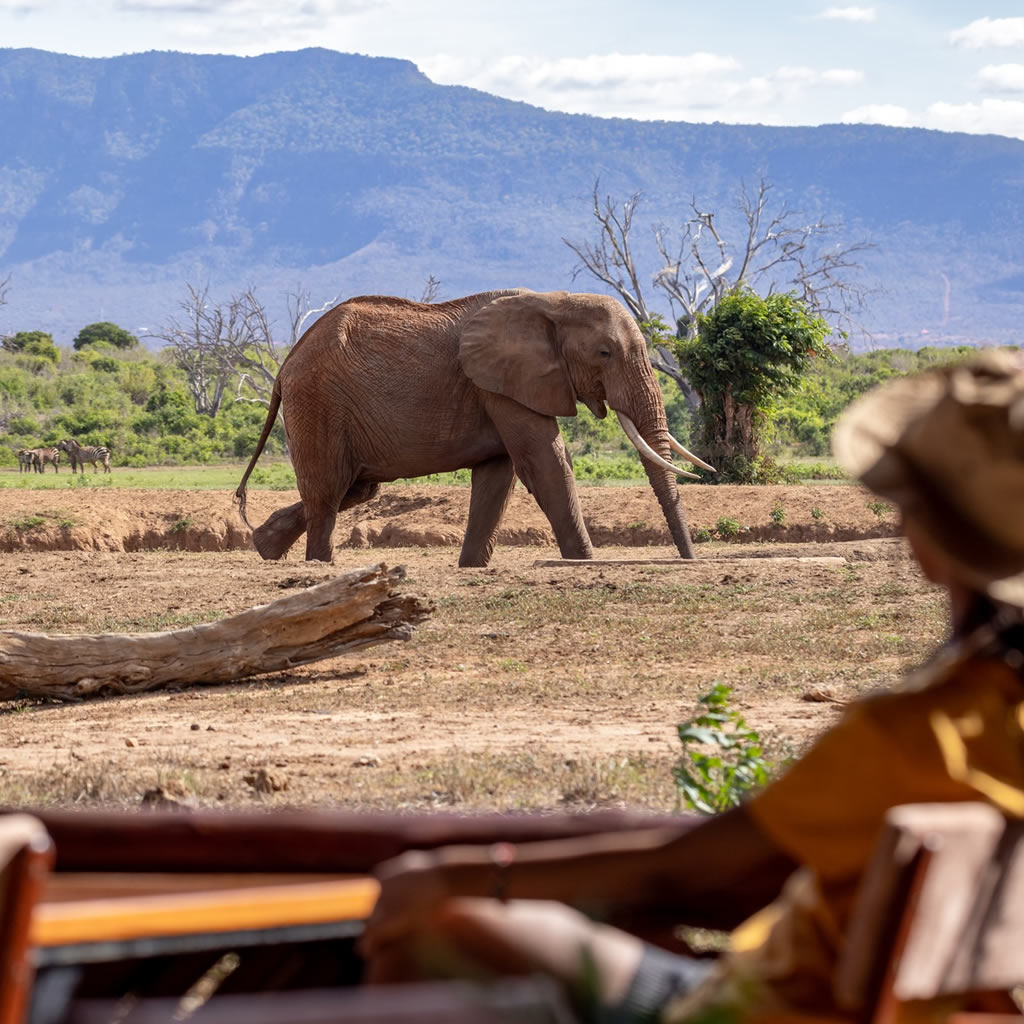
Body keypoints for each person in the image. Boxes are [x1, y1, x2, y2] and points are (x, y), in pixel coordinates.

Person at [359, 350, 1024, 1023]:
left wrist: (460, 875)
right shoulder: (997, 723)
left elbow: (685, 868)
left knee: (437, 924)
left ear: (930, 541)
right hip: (836, 995)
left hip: (747, 1008)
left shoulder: (918, 731)